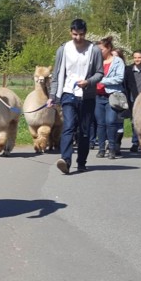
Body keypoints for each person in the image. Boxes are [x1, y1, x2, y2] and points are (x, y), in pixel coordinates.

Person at [46, 19, 103, 174]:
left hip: (87, 96)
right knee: (69, 126)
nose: (78, 38)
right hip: (68, 94)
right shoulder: (63, 49)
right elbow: (57, 75)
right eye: (75, 34)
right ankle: (65, 160)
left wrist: (88, 82)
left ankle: (82, 161)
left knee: (84, 131)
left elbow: (100, 73)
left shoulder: (94, 50)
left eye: (81, 34)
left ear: (86, 33)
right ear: (70, 32)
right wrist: (52, 95)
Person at [94, 37, 126, 159]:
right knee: (100, 123)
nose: (98, 51)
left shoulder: (117, 61)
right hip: (98, 96)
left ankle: (112, 148)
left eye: (101, 49)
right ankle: (101, 149)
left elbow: (119, 78)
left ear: (108, 48)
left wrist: (102, 80)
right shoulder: (96, 61)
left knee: (111, 122)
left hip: (112, 96)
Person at [124, 49, 141, 153]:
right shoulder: (128, 70)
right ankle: (136, 142)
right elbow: (125, 85)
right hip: (132, 98)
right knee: (135, 121)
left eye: (139, 57)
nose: (137, 59)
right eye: (135, 57)